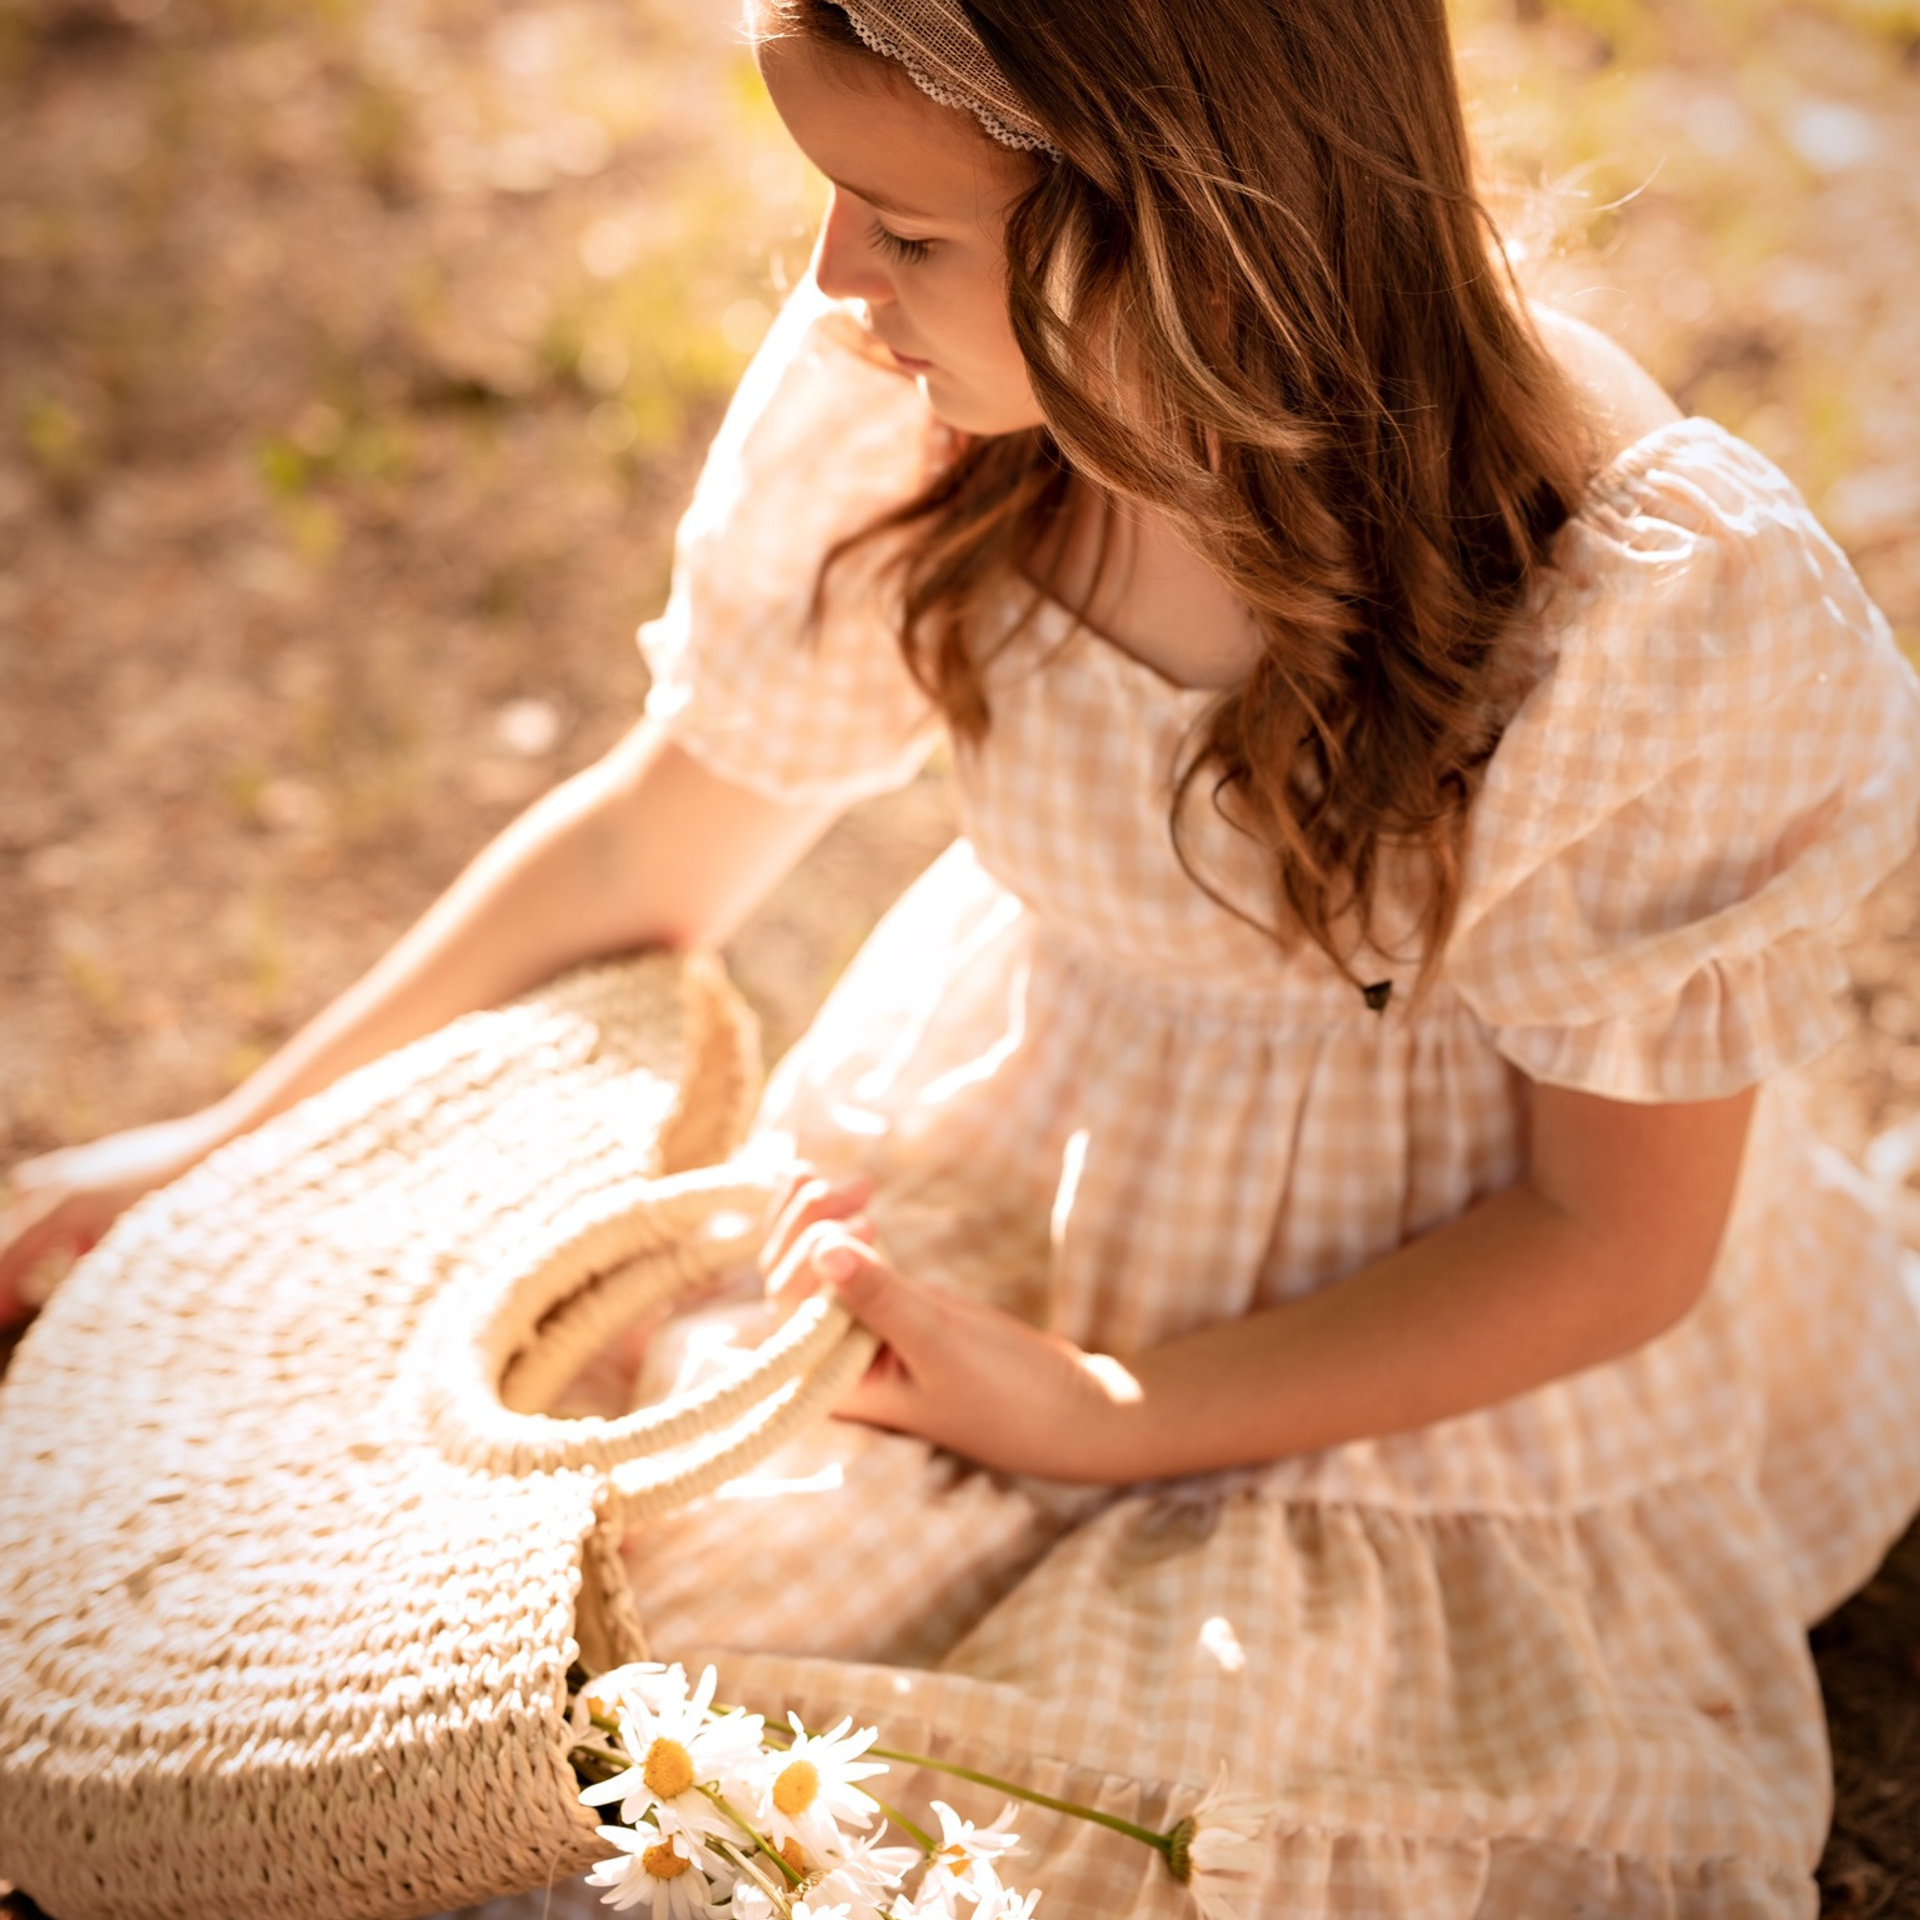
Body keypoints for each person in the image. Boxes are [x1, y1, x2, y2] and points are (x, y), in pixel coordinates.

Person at [6, 0, 1920, 1912]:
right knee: (609, 1691)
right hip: (1025, 1174)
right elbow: (653, 838)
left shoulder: (1637, 603)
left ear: (1192, 228)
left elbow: (1610, 1245)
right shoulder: (929, 400)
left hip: (1426, 1330)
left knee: (1171, 1818)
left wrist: (1099, 1413)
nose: (836, 277)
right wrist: (210, 1153)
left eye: (907, 230)